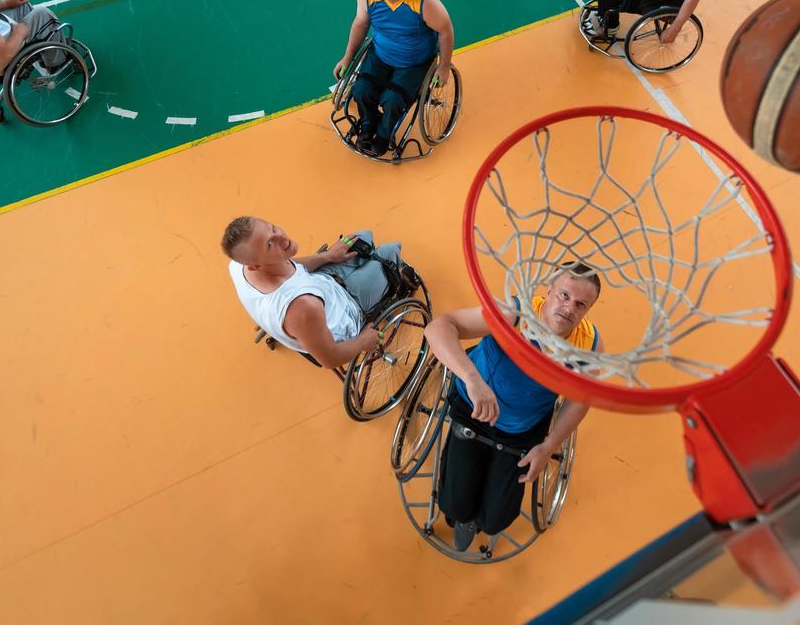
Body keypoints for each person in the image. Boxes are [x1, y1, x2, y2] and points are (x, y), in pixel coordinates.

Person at [423, 262, 602, 552]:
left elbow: (581, 400)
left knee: (496, 520)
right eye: (564, 296)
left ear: (588, 310)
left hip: (522, 429)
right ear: (549, 290)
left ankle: (479, 520)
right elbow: (438, 328)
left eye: (581, 304)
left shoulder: (589, 346)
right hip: (474, 409)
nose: (570, 308)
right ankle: (462, 517)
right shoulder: (514, 314)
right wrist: (472, 379)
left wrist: (550, 445)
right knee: (455, 505)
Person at [222, 216, 407, 370]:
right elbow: (330, 359)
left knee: (363, 238)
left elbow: (291, 266)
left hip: (322, 285)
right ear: (255, 266)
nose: (281, 237)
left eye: (272, 228)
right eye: (270, 244)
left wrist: (328, 257)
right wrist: (363, 342)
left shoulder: (238, 265)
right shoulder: (302, 307)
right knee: (390, 251)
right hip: (347, 311)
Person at [334, 0, 455, 158]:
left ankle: (383, 136)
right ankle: (368, 123)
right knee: (361, 90)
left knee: (392, 100)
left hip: (414, 63)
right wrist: (347, 57)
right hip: (380, 55)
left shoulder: (424, 0)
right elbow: (360, 24)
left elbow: (445, 31)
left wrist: (444, 67)